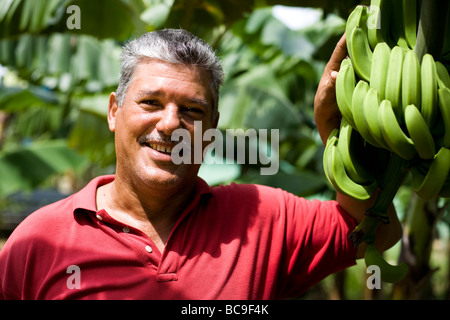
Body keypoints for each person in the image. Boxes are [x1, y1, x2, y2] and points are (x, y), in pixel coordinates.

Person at [0, 29, 402, 300]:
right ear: (113, 111)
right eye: (151, 102)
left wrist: (334, 130)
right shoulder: (38, 242)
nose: (171, 123)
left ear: (211, 127)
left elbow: (374, 232)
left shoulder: (264, 219)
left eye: (192, 110)